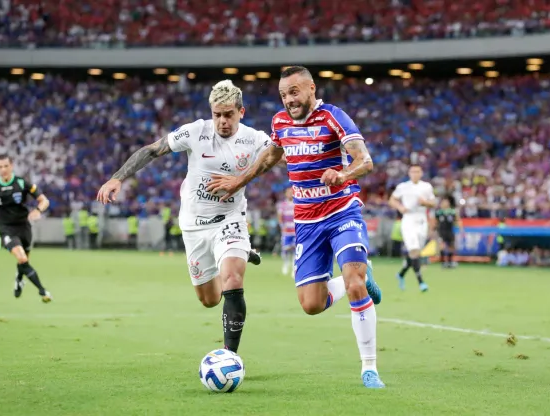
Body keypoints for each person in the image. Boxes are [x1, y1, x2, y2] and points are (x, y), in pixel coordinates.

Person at [206, 66, 385, 389]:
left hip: (342, 211)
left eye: (294, 92)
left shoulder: (334, 117)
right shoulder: (280, 123)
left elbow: (366, 161)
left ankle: (369, 368)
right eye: (284, 95)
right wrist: (237, 181)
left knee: (357, 284)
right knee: (311, 304)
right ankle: (354, 278)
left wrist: (343, 176)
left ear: (312, 89)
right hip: (306, 221)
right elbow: (268, 158)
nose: (289, 100)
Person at [97, 80, 264, 355]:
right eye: (217, 114)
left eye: (229, 114)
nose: (222, 121)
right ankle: (242, 252)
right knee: (209, 299)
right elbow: (152, 150)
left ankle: (229, 356)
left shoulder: (254, 139)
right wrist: (117, 178)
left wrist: (242, 179)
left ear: (241, 112)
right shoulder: (195, 131)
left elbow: (280, 155)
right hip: (194, 226)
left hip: (230, 219)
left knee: (233, 279)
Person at [0, 154, 52, 302]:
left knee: (24, 261)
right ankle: (43, 291)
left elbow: (44, 200)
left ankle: (19, 279)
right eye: (0, 167)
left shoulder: (22, 183)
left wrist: (38, 210)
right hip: (6, 229)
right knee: (21, 258)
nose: (3, 169)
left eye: (5, 166)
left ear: (11, 166)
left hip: (24, 227)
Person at [389, 164, 436, 292]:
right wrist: (400, 207)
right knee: (414, 249)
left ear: (421, 173)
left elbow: (433, 202)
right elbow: (392, 200)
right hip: (408, 219)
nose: (415, 174)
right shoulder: (403, 187)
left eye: (417, 171)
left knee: (415, 253)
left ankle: (401, 274)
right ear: (409, 173)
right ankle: (421, 282)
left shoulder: (426, 187)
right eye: (412, 171)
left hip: (421, 219)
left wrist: (425, 203)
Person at [436, 195, 463, 268]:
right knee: (442, 246)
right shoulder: (438, 212)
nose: (445, 203)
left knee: (451, 246)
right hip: (441, 232)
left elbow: (457, 220)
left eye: (446, 202)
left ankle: (450, 262)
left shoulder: (452, 211)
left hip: (450, 231)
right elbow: (435, 222)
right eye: (443, 202)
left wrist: (460, 228)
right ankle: (443, 262)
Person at [276, 188, 296, 276]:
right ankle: (286, 264)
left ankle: (294, 268)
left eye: (291, 193)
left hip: (296, 231)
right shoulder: (282, 205)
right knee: (286, 250)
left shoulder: (297, 204)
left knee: (295, 250)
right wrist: (282, 226)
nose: (290, 194)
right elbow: (280, 216)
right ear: (285, 194)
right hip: (286, 231)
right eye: (288, 193)